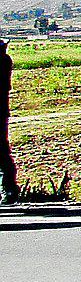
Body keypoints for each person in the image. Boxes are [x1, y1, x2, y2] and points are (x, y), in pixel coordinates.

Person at [0, 40, 18, 204]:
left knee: (1, 151)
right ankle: (8, 189)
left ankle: (8, 189)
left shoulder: (4, 61)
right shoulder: (5, 60)